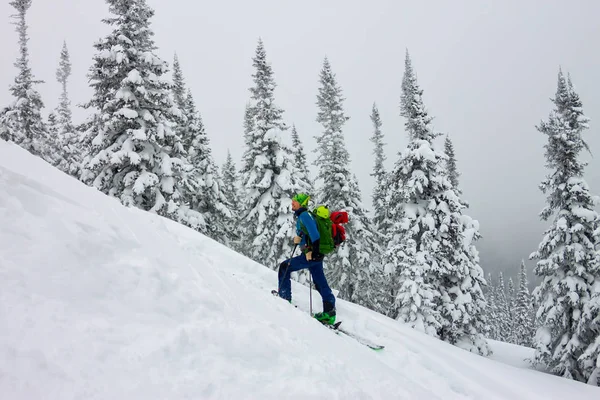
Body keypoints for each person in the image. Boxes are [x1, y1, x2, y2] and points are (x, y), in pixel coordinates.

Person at [277, 193, 337, 325]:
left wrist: (313, 252)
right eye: (292, 201)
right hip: (315, 255)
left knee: (284, 267)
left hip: (311, 255)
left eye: (295, 202)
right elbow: (309, 233)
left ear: (302, 204)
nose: (292, 203)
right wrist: (300, 239)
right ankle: (329, 312)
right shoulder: (304, 215)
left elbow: (315, 235)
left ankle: (284, 298)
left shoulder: (304, 215)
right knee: (320, 282)